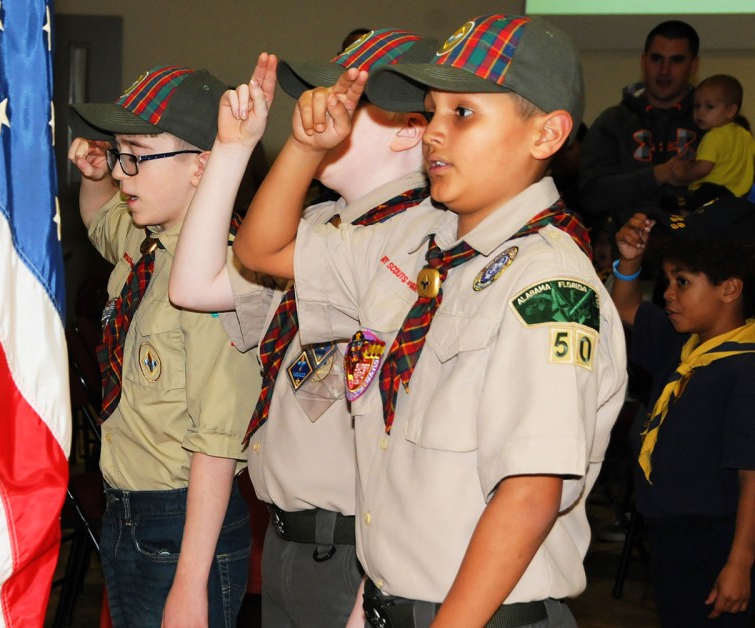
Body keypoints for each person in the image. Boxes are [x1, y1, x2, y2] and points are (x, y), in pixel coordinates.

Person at [233, 14, 628, 626]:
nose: (434, 134)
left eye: (463, 113)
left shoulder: (549, 287)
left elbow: (528, 494)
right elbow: (261, 252)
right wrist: (310, 148)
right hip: (395, 604)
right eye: (433, 111)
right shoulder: (417, 244)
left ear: (546, 133)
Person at [168, 29, 434, 626]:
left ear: (410, 128)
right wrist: (233, 150)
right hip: (291, 541)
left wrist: (374, 590)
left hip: (359, 553)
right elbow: (192, 286)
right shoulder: (317, 223)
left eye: (346, 99)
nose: (319, 108)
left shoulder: (423, 240)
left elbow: (407, 433)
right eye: (318, 93)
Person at [66, 66, 262, 627]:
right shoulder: (148, 240)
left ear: (203, 165)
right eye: (118, 151)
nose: (125, 172)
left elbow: (218, 443)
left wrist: (191, 583)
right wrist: (98, 175)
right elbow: (100, 221)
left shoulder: (219, 276)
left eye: (137, 154)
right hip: (127, 510)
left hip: (180, 522)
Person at [611, 199, 755, 627]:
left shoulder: (744, 369)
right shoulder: (686, 346)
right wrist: (628, 262)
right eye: (669, 280)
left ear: (730, 289)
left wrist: (741, 563)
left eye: (683, 282)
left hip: (718, 541)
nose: (668, 294)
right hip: (671, 536)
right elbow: (626, 306)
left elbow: (751, 473)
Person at [580, 20, 702, 226]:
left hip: (699, 253)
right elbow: (590, 196)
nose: (664, 70)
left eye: (676, 60)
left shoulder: (715, 124)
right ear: (643, 61)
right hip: (626, 253)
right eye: (656, 59)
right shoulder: (614, 122)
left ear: (694, 65)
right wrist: (656, 176)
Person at [664, 74, 755, 212]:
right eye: (697, 106)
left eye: (709, 107)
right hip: (739, 195)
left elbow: (704, 168)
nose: (700, 113)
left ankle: (681, 203)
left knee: (694, 201)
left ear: (730, 110)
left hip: (713, 190)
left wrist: (684, 175)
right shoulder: (745, 135)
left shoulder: (714, 136)